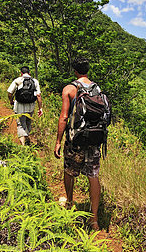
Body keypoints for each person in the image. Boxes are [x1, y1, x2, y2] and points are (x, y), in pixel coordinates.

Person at [54, 57, 102, 231]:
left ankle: (69, 203)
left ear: (75, 70)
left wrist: (58, 141)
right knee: (93, 176)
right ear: (87, 70)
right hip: (94, 140)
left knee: (69, 171)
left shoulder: (69, 89)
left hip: (76, 140)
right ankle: (94, 220)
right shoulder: (97, 89)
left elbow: (64, 117)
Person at [7, 66, 43, 146]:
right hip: (31, 107)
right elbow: (38, 96)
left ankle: (23, 144)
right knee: (28, 122)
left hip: (19, 106)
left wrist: (11, 101)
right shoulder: (35, 81)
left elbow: (10, 93)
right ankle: (27, 139)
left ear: (21, 73)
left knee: (20, 124)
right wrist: (40, 108)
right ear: (29, 73)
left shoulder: (17, 80)